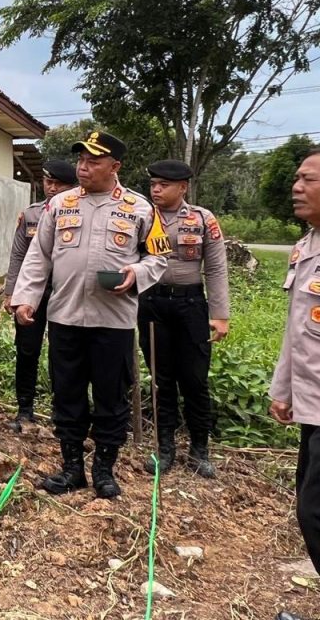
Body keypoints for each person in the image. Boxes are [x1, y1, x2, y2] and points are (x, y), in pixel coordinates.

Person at [13, 130, 170, 499]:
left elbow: (159, 258)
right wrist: (26, 298)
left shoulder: (140, 209)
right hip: (65, 317)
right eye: (81, 160)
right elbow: (39, 256)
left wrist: (135, 274)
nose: (83, 167)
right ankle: (72, 468)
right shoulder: (59, 204)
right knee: (67, 394)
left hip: (112, 321)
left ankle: (103, 469)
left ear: (115, 166)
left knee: (111, 397)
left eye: (93, 161)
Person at [139, 159, 230, 477]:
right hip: (152, 303)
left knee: (194, 379)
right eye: (153, 184)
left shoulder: (202, 219)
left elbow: (216, 267)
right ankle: (165, 449)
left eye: (163, 185)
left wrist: (220, 314)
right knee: (162, 379)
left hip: (191, 305)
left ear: (183, 187)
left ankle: (199, 450)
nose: (156, 190)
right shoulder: (142, 216)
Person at [270, 149, 320, 620]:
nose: (296, 187)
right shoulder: (308, 245)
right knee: (309, 509)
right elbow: (299, 329)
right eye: (297, 178)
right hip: (312, 405)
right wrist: (283, 388)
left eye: (308, 179)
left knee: (314, 512)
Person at [2, 159, 79, 431]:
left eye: (59, 184)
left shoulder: (78, 214)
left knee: (62, 353)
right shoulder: (31, 214)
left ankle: (61, 411)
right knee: (27, 350)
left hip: (64, 293)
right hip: (31, 294)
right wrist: (12, 292)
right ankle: (24, 409)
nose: (52, 188)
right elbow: (18, 255)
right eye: (48, 182)